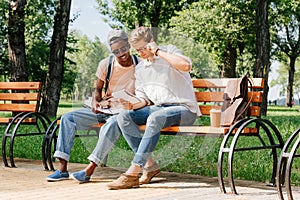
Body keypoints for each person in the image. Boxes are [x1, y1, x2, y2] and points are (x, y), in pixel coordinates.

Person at [106, 26, 201, 190]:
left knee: (155, 118)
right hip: (160, 109)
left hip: (185, 109)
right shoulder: (141, 69)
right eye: (137, 51)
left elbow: (186, 66)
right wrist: (130, 104)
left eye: (144, 48)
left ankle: (132, 173)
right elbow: (143, 99)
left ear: (152, 42)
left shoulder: (169, 52)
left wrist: (158, 52)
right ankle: (149, 166)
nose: (141, 53)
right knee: (124, 116)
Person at [46, 29, 138, 182]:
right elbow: (98, 89)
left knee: (111, 125)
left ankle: (89, 170)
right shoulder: (106, 64)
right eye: (116, 51)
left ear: (128, 45)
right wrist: (96, 101)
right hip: (106, 108)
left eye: (123, 49)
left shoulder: (139, 65)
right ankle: (62, 169)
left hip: (125, 112)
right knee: (68, 118)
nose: (121, 54)